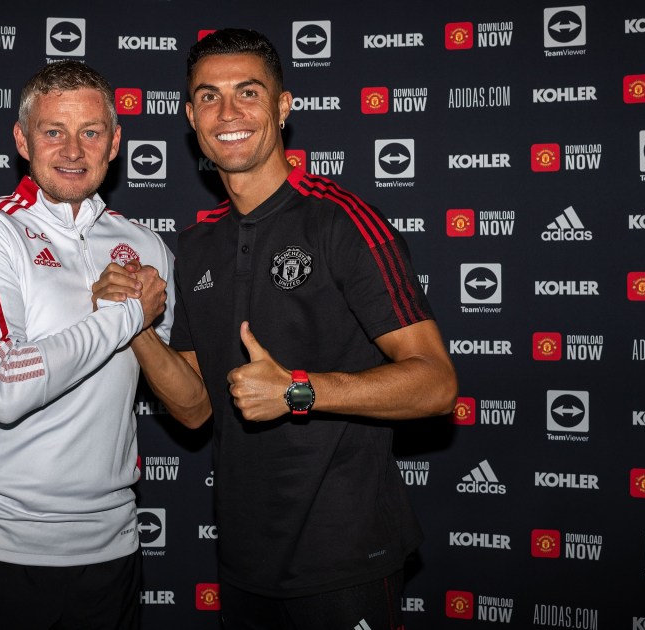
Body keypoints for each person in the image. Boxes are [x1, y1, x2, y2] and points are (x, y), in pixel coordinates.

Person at [93, 29, 458, 629]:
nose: (228, 113)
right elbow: (192, 410)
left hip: (347, 557)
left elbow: (437, 384)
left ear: (283, 108)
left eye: (248, 93)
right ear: (189, 116)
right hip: (244, 560)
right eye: (208, 97)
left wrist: (297, 390)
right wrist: (130, 325)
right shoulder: (195, 243)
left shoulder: (342, 221)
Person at [0, 60, 172, 630]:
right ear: (21, 139)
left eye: (91, 132)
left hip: (112, 551)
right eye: (53, 131)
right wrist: (126, 314)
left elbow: (191, 401)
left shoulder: (147, 246)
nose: (73, 150)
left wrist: (141, 327)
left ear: (115, 142)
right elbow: (4, 386)